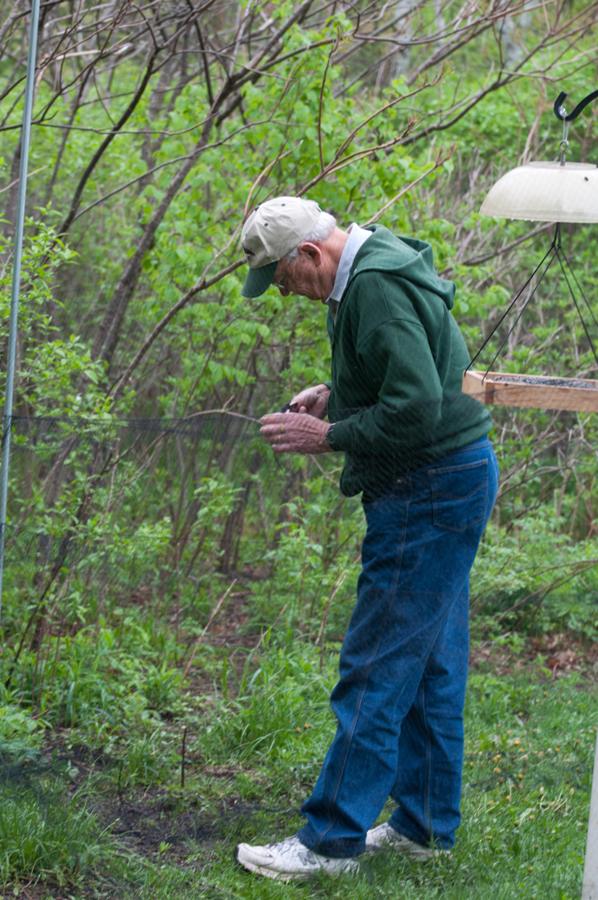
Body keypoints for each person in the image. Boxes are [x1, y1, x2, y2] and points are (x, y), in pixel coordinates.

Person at [235, 196, 499, 882]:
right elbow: (414, 371)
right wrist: (340, 394)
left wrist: (330, 435)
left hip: (428, 488)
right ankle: (424, 826)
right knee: (431, 665)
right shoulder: (372, 264)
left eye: (285, 279)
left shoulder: (373, 287)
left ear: (311, 254)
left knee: (377, 664)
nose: (287, 294)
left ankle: (329, 841)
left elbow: (418, 406)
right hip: (455, 475)